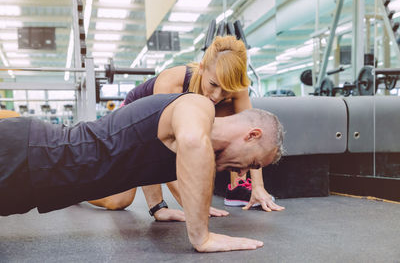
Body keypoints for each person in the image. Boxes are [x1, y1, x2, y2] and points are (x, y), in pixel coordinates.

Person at [0, 93, 284, 252]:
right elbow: (193, 143)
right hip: (24, 152)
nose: (246, 172)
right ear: (252, 135)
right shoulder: (197, 106)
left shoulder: (182, 142)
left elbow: (148, 153)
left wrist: (158, 207)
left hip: (28, 186)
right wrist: (202, 237)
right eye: (254, 164)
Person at [89, 35, 284, 218]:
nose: (217, 96)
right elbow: (152, 148)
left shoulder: (236, 90)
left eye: (226, 90)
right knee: (119, 200)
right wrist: (165, 206)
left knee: (228, 115)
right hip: (133, 118)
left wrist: (258, 187)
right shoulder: (173, 82)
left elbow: (253, 139)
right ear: (201, 68)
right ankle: (80, 193)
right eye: (213, 84)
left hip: (162, 130)